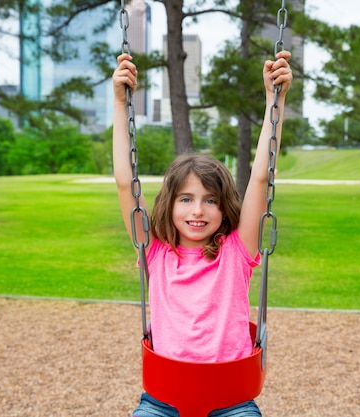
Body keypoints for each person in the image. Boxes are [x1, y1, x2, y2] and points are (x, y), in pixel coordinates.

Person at [112, 50, 293, 417]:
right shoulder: (155, 252)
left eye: (210, 200)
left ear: (225, 207)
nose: (197, 211)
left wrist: (275, 101)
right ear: (170, 203)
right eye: (186, 199)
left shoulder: (236, 251)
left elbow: (261, 177)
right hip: (163, 397)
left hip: (232, 398)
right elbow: (123, 182)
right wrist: (120, 103)